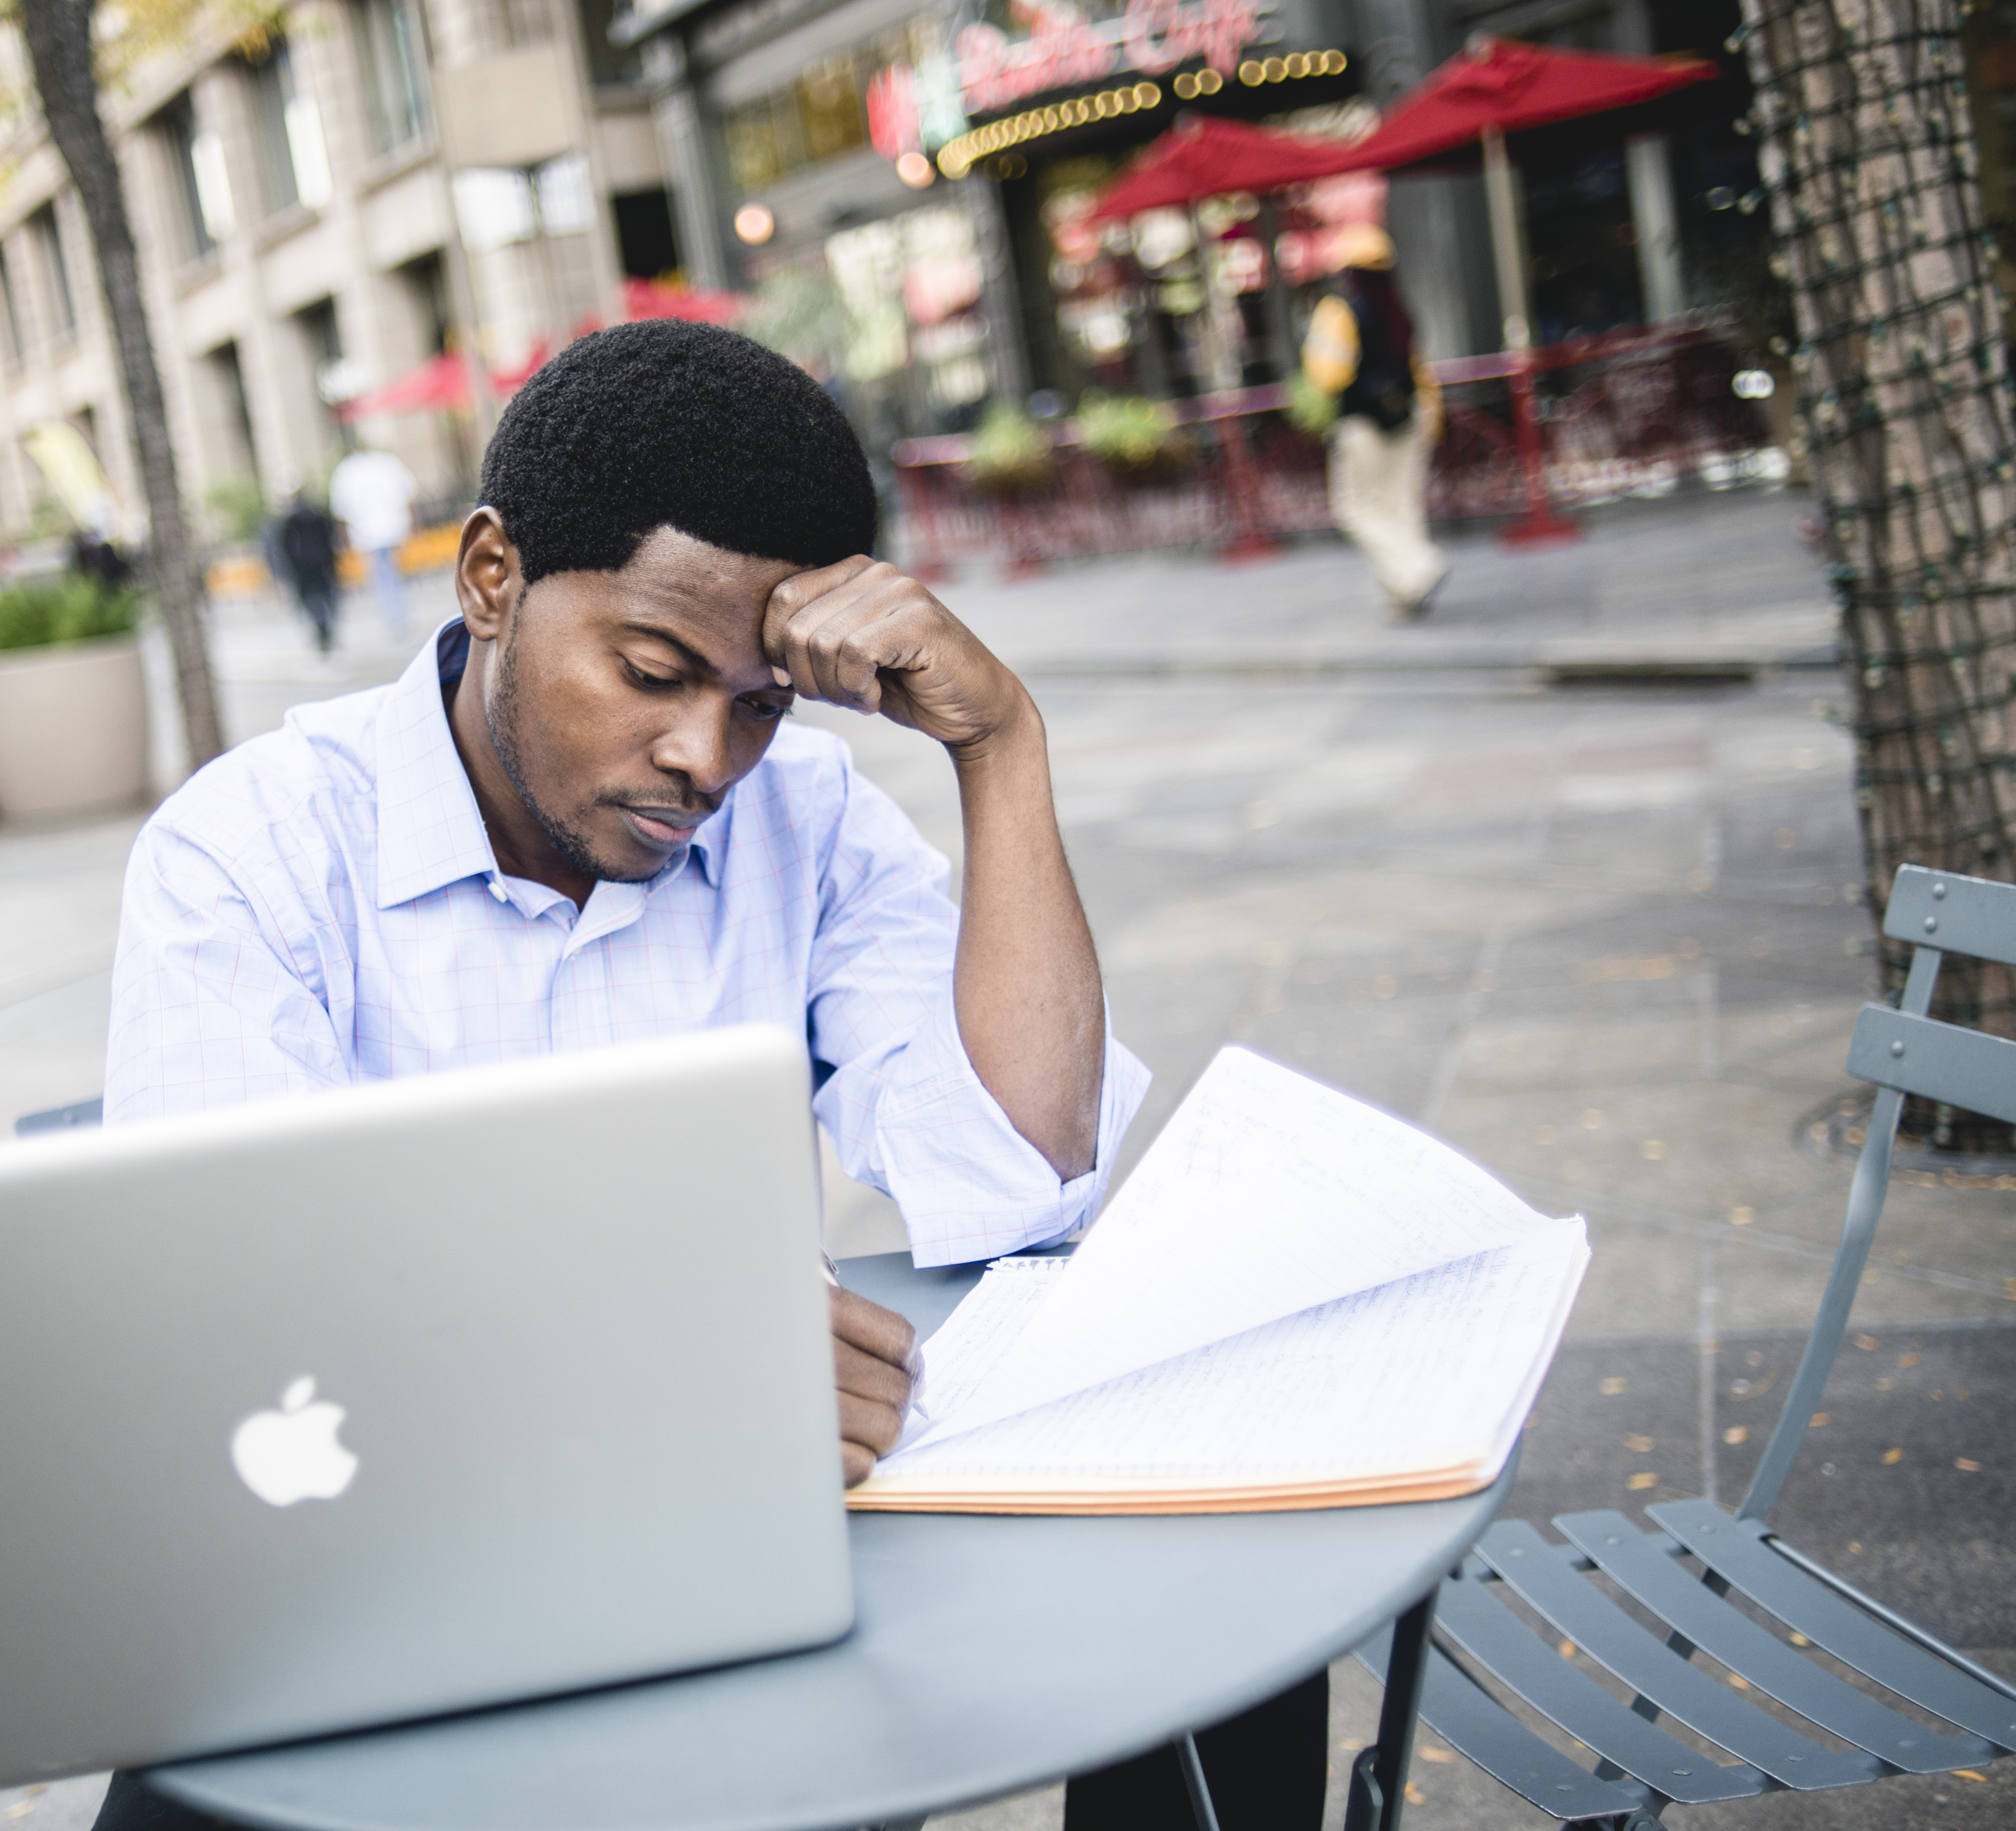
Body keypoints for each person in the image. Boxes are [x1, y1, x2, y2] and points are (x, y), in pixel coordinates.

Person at [94, 320, 1326, 1831]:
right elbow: (226, 1328)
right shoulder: (256, 851)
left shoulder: (800, 818)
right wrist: (658, 1373)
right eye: (652, 671)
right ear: (493, 578)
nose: (704, 757)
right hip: (409, 1583)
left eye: (759, 702)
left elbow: (1016, 1172)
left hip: (744, 1573)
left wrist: (1000, 746)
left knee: (1229, 1626)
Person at [1302, 223, 1445, 621]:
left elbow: (1327, 375)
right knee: (1400, 505)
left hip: (1363, 424)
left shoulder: (1339, 310)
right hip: (1409, 417)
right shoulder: (1399, 310)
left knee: (1354, 508)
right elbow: (1419, 370)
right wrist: (1432, 416)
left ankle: (1418, 569)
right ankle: (1404, 594)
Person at [329, 444, 421, 639]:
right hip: (394, 528)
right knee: (391, 574)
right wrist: (415, 525)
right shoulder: (387, 462)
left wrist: (343, 539)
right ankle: (399, 617)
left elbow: (341, 509)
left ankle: (396, 619)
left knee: (381, 577)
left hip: (365, 534)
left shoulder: (347, 470)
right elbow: (409, 494)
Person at [274, 491, 342, 656]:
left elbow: (285, 549)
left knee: (313, 604)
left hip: (306, 570)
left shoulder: (291, 522)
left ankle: (323, 632)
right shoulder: (316, 518)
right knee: (325, 602)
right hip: (319, 568)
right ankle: (324, 632)